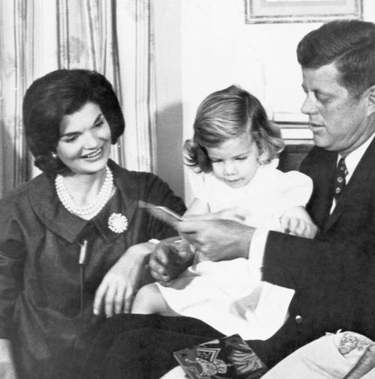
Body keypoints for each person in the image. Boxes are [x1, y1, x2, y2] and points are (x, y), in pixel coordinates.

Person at [82, 20, 375, 379]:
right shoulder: (327, 158)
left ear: (372, 98)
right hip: (267, 337)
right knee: (115, 332)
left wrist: (249, 243)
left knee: (128, 351)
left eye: (322, 96)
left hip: (283, 363)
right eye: (305, 92)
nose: (306, 108)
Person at [0, 69, 192, 379]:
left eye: (98, 124)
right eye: (72, 136)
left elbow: (191, 244)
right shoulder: (16, 209)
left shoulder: (146, 191)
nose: (92, 142)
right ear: (50, 145)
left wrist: (141, 250)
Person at [132, 85, 316, 341]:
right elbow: (187, 226)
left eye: (239, 158)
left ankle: (227, 367)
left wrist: (299, 223)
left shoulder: (275, 183)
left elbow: (297, 219)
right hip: (208, 278)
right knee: (147, 296)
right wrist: (205, 226)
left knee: (245, 327)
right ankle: (141, 353)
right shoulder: (211, 186)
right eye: (218, 161)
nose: (228, 170)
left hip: (250, 287)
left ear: (261, 148)